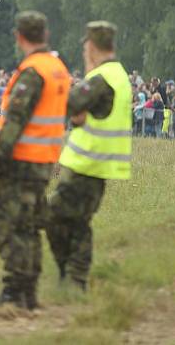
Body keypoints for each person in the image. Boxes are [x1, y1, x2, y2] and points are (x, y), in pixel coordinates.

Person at [0, 11, 71, 310]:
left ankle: (14, 288)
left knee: (10, 227)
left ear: (20, 38)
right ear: (45, 35)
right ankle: (28, 291)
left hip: (21, 162)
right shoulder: (58, 68)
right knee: (29, 226)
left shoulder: (32, 72)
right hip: (45, 161)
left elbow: (15, 120)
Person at [47, 21, 131, 290]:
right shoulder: (117, 74)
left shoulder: (101, 78)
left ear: (91, 47)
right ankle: (73, 278)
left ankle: (74, 279)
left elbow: (67, 103)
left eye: (85, 48)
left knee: (62, 219)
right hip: (95, 163)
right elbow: (82, 112)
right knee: (73, 221)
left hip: (89, 164)